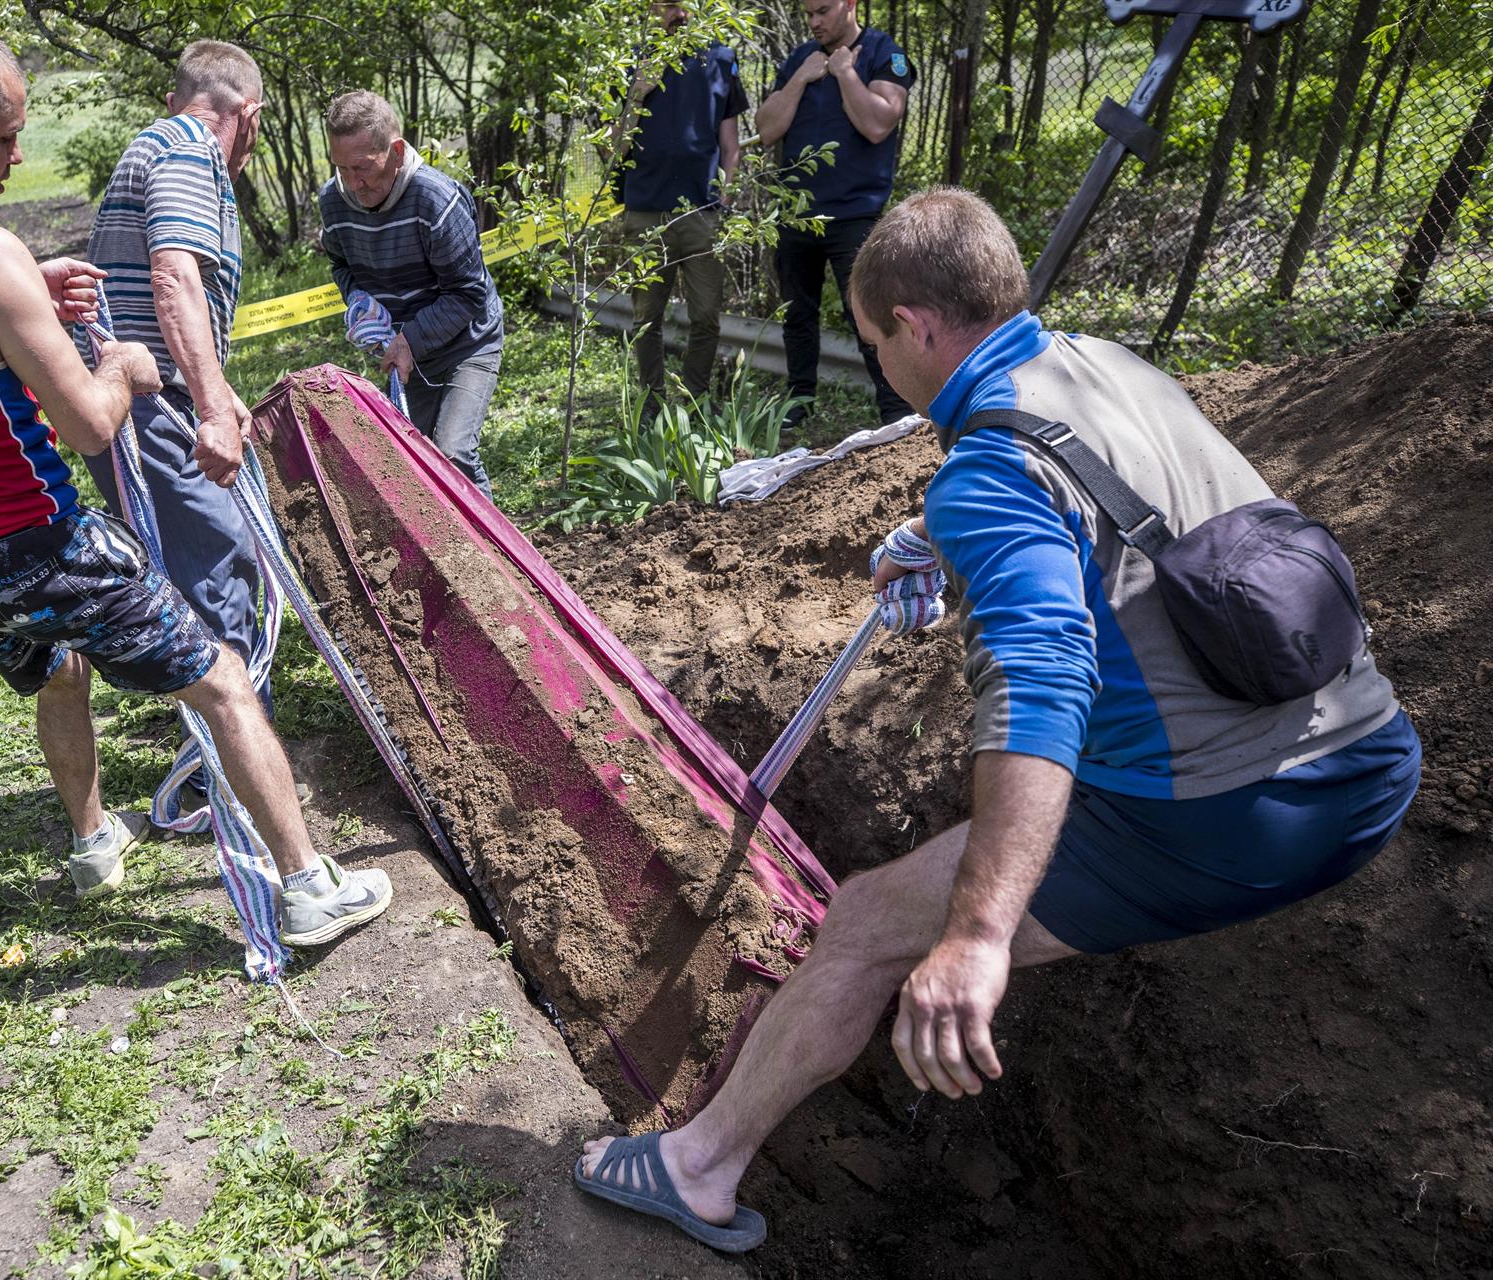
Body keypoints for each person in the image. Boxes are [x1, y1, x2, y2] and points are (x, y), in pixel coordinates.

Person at [571, 188, 1420, 1252]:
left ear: (918, 327)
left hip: (1231, 812)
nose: (878, 362)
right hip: (1371, 751)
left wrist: (976, 937)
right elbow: (1111, 494)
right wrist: (938, 527)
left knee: (868, 923)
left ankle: (695, 1165)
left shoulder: (990, 472)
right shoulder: (1104, 363)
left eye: (874, 339)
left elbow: (1041, 688)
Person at [0, 13, 391, 945]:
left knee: (61, 670)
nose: (17, 160)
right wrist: (131, 370)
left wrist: (25, 287)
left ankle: (92, 841)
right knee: (224, 678)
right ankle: (310, 887)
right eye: (4, 136)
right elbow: (87, 422)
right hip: (42, 545)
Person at [78, 40, 269, 689]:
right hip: (151, 407)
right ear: (250, 114)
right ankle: (234, 780)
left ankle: (216, 756)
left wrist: (214, 386)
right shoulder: (190, 147)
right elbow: (173, 278)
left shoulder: (158, 141)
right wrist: (210, 407)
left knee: (205, 572)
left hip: (141, 400)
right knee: (221, 568)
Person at [319, 91, 505, 499]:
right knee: (414, 464)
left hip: (468, 344)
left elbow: (468, 293)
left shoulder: (436, 199)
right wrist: (359, 301)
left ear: (397, 151)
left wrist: (410, 340)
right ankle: (444, 556)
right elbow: (341, 264)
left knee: (453, 453)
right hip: (407, 352)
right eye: (342, 169)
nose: (354, 183)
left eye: (363, 168)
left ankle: (497, 557)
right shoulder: (332, 202)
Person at [756, 0, 915, 429]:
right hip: (796, 213)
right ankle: (799, 403)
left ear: (849, 5)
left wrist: (845, 71)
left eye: (823, 10)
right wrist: (801, 80)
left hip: (855, 213)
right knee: (797, 314)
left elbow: (879, 123)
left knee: (869, 314)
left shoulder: (884, 52)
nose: (814, 21)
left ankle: (897, 412)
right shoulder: (800, 58)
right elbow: (767, 128)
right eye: (809, 13)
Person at [615, 2, 747, 407]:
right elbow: (614, 150)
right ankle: (652, 406)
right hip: (645, 210)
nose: (678, 13)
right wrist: (638, 90)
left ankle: (694, 402)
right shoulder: (628, 61)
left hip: (701, 213)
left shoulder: (721, 58)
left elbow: (731, 146)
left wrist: (724, 201)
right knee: (645, 321)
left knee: (706, 317)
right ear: (652, 8)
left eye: (684, 4)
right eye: (668, 4)